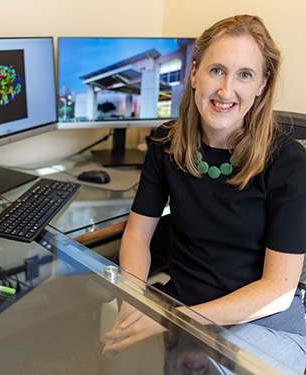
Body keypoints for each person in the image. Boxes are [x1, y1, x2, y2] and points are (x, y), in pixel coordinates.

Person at [103, 14, 306, 373]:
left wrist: (175, 319)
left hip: (262, 322)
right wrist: (135, 299)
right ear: (194, 73)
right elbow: (137, 233)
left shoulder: (288, 162)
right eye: (216, 71)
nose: (226, 91)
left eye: (245, 74)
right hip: (188, 317)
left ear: (262, 84)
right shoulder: (166, 144)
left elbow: (278, 289)